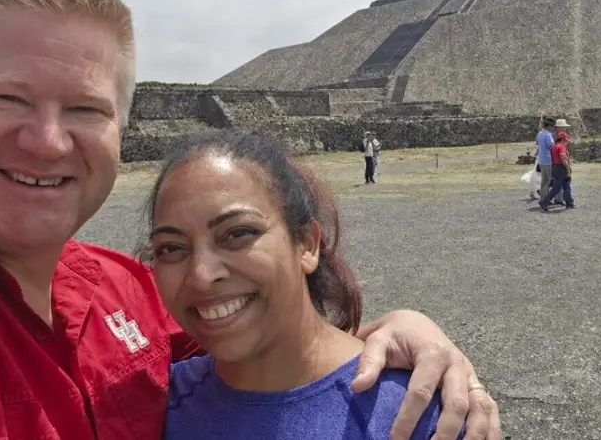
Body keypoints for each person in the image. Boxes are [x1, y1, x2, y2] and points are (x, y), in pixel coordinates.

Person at [0, 0, 500, 440]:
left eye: (85, 109)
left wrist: (396, 330)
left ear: (120, 130)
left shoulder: (128, 293)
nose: (47, 142)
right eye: (8, 100)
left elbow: (265, 344)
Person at [146, 128, 464, 439]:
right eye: (171, 248)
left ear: (308, 244)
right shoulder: (144, 406)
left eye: (238, 233)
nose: (202, 275)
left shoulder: (417, 415)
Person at [538, 131, 574, 212]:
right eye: (566, 138)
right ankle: (544, 202)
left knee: (564, 186)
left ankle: (569, 203)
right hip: (561, 168)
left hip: (555, 167)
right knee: (561, 187)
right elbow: (563, 158)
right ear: (563, 139)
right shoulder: (561, 147)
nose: (568, 140)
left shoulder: (554, 146)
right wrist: (568, 169)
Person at [533, 117, 556, 201]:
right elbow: (552, 148)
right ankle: (548, 199)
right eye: (553, 126)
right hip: (549, 160)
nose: (554, 128)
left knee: (544, 181)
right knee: (551, 181)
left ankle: (543, 198)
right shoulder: (548, 135)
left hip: (541, 160)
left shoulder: (540, 134)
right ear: (549, 126)